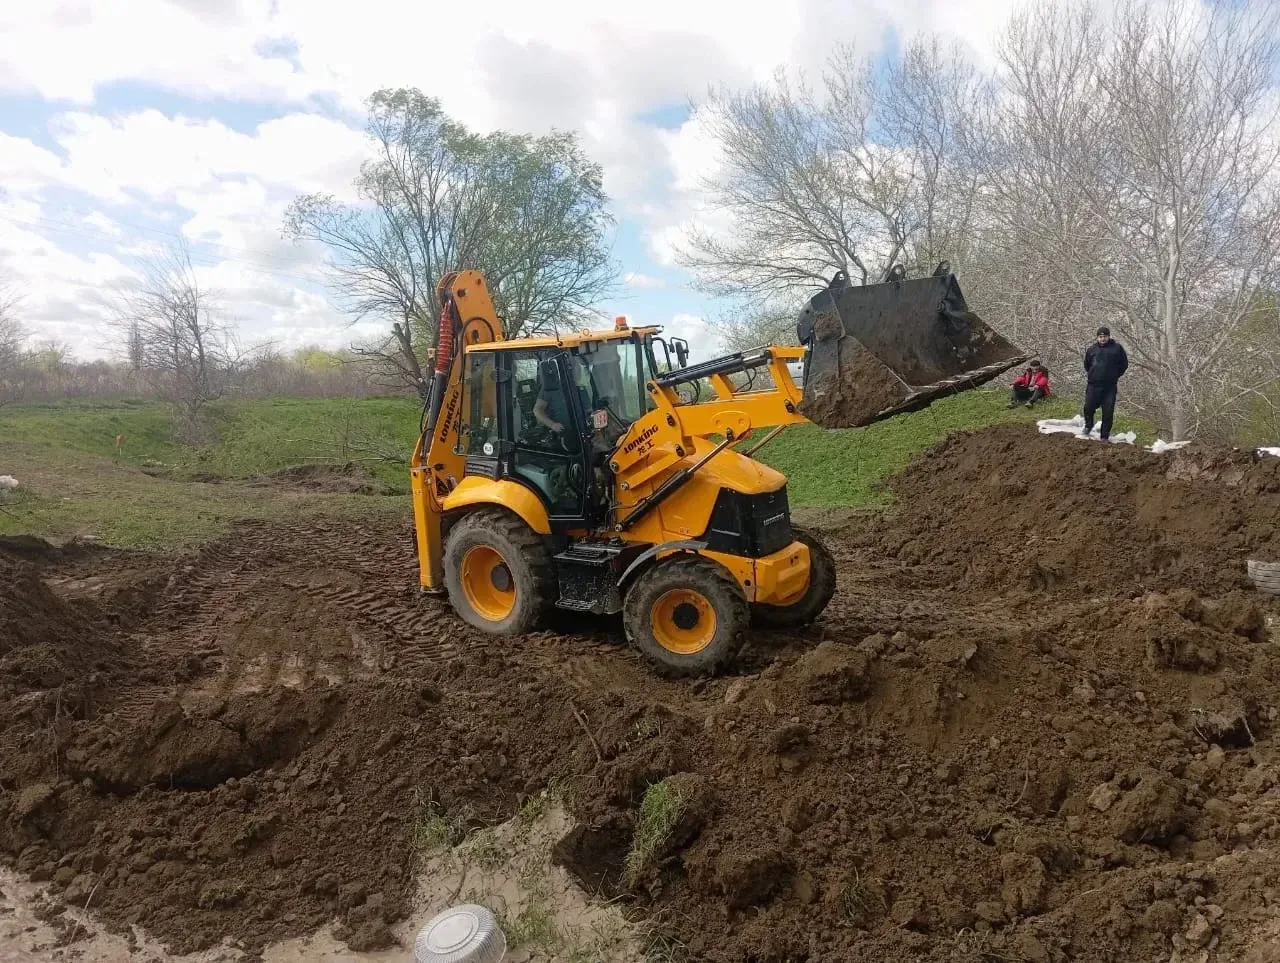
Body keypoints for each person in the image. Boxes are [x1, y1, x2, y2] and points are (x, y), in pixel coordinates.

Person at [1082, 326, 1128, 440]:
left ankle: (1104, 435)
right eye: (1100, 337)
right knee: (1088, 407)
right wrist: (1094, 374)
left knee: (1108, 411)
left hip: (1109, 386)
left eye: (1105, 336)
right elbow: (1087, 365)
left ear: (1109, 336)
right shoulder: (1092, 349)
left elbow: (1124, 364)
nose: (1103, 339)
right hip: (1093, 384)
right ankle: (1088, 425)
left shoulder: (1117, 348)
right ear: (1097, 337)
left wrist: (1114, 375)